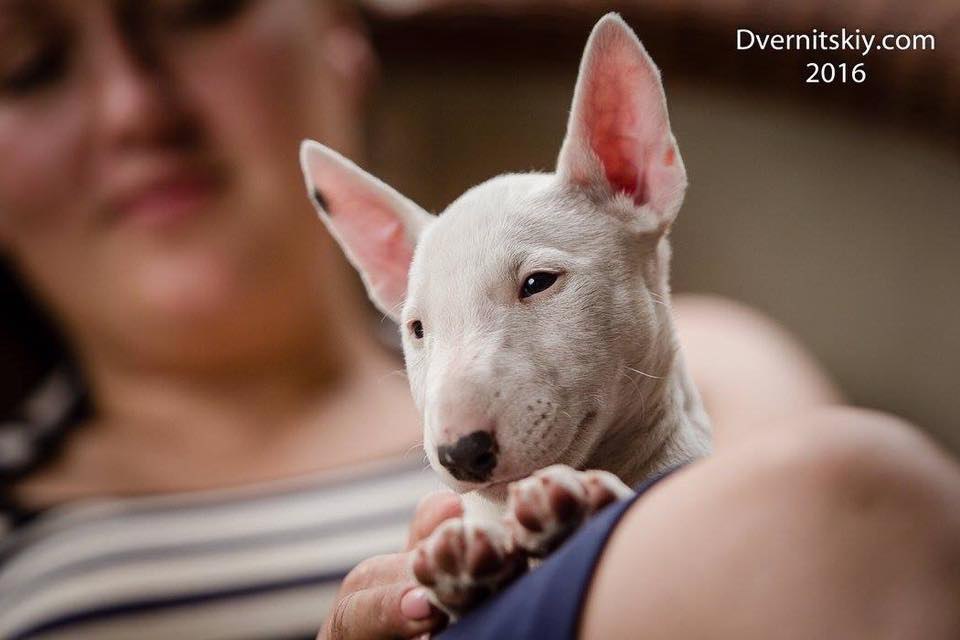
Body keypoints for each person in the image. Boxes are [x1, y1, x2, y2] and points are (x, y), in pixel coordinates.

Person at [1, 1, 957, 640]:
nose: (135, 110)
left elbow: (844, 561)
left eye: (200, 5)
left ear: (341, 24)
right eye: (31, 65)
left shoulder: (709, 359)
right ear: (388, 266)